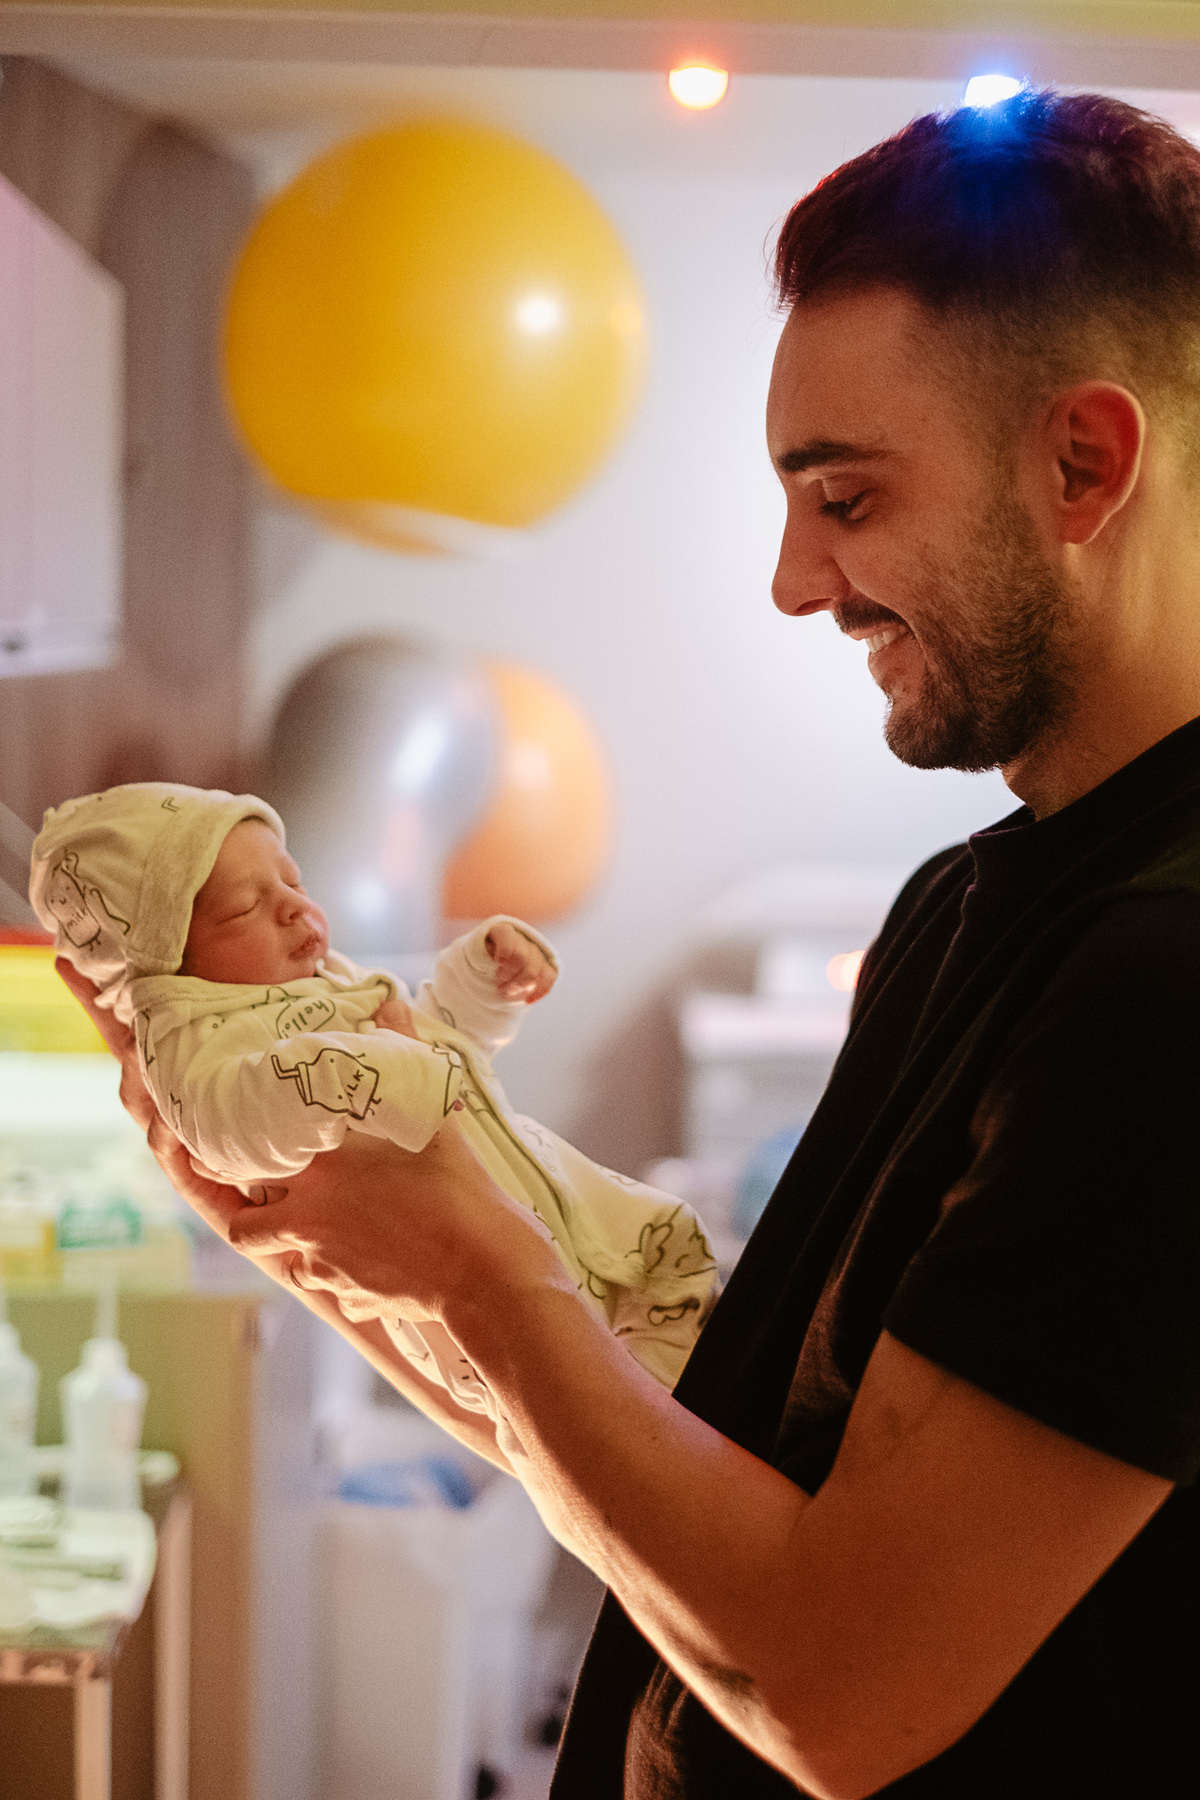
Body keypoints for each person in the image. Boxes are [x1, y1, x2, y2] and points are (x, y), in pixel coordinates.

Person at [59, 88, 1200, 1798]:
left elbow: (837, 1693)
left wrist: (480, 1272)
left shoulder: (1164, 981)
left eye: (847, 496)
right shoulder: (966, 904)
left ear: (1083, 465)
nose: (796, 581)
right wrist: (336, 1249)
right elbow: (708, 1481)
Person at [30, 782, 718, 1415]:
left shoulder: (323, 983)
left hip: (557, 1213)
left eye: (293, 881)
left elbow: (440, 1054)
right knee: (613, 1405)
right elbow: (238, 1121)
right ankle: (663, 1440)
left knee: (673, 1249)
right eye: (243, 906)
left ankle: (678, 1438)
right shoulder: (202, 1053)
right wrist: (381, 1074)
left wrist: (480, 983)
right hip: (479, 1301)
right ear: (164, 969)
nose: (295, 906)